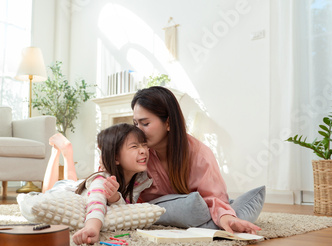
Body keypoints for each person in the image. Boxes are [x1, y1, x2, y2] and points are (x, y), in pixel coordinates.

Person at [104, 86, 264, 234]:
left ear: (168, 122)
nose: (137, 130)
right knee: (202, 210)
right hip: (150, 209)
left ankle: (228, 216)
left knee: (210, 208)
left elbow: (213, 197)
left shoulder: (199, 154)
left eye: (145, 123)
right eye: (135, 123)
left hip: (194, 204)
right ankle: (227, 215)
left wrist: (225, 216)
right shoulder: (140, 153)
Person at [39, 123, 152, 245]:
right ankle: (56, 152)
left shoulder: (140, 179)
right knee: (47, 192)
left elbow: (127, 205)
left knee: (72, 182)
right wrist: (92, 227)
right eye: (134, 146)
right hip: (65, 191)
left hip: (77, 186)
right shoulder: (101, 181)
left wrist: (116, 198)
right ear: (115, 158)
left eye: (145, 145)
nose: (143, 151)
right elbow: (96, 203)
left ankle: (67, 153)